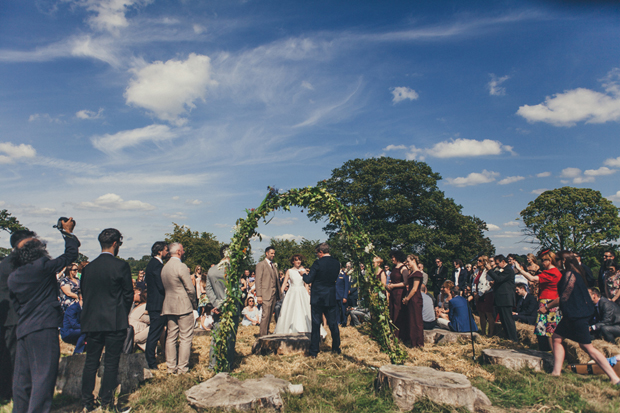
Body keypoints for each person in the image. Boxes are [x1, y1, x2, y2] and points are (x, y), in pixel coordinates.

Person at [8, 220, 79, 413]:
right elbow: (70, 255)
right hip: (44, 326)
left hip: (24, 328)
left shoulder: (13, 277)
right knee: (43, 376)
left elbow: (16, 305)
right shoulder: (42, 266)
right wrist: (67, 233)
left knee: (22, 379)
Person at [80, 228, 132, 413]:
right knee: (111, 363)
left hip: (93, 321)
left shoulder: (88, 268)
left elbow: (85, 293)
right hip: (114, 320)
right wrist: (122, 313)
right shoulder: (121, 266)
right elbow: (128, 295)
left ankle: (87, 401)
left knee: (91, 362)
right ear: (116, 244)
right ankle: (106, 402)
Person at [551, 251, 620, 385]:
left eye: (557, 259)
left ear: (564, 261)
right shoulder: (577, 273)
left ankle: (614, 378)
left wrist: (551, 306)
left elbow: (564, 297)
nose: (556, 262)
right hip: (575, 315)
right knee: (557, 338)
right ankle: (556, 372)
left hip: (575, 316)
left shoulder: (569, 274)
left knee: (588, 348)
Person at [0, 230, 35, 401]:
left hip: (8, 316)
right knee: (12, 357)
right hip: (14, 316)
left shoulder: (7, 262)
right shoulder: (16, 264)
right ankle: (9, 392)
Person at [160, 242, 196, 375]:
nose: (184, 252)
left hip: (169, 305)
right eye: (183, 250)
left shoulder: (165, 267)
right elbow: (190, 288)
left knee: (171, 336)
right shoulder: (181, 266)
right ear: (179, 252)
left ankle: (170, 367)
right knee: (186, 337)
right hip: (183, 305)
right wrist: (193, 302)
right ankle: (182, 368)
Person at [301, 242, 341, 357]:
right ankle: (336, 348)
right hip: (330, 296)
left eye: (317, 253)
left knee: (316, 324)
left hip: (318, 297)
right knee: (333, 323)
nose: (317, 255)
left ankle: (314, 351)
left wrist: (303, 274)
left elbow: (308, 280)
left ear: (321, 252)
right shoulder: (336, 263)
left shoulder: (317, 263)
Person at [206, 245, 239, 369]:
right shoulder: (233, 269)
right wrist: (225, 305)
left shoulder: (212, 270)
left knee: (216, 337)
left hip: (217, 308)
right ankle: (227, 364)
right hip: (231, 309)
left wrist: (216, 304)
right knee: (230, 338)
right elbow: (234, 291)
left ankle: (213, 364)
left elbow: (208, 289)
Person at [144, 241, 168, 370]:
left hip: (154, 303)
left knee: (155, 332)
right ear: (159, 251)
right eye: (165, 250)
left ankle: (150, 360)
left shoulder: (152, 264)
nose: (167, 252)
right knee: (154, 333)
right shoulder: (156, 266)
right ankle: (151, 362)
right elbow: (161, 284)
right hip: (158, 304)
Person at [486, 254, 518, 342]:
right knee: (503, 319)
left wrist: (490, 270)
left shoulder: (508, 270)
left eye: (497, 263)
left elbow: (499, 279)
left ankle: (513, 338)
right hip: (500, 298)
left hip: (506, 298)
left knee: (508, 319)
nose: (496, 265)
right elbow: (499, 280)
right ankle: (508, 337)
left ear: (503, 261)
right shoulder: (501, 270)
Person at [255, 246, 281, 337]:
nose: (273, 255)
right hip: (265, 294)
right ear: (266, 253)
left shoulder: (273, 265)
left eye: (274, 253)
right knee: (265, 316)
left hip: (273, 294)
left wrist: (278, 294)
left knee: (270, 316)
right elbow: (258, 280)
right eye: (271, 253)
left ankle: (267, 332)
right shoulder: (261, 265)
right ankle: (262, 336)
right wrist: (259, 295)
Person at [402, 254, 424, 347]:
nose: (407, 263)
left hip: (415, 298)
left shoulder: (417, 273)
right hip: (412, 298)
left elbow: (414, 288)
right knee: (412, 320)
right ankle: (413, 341)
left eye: (408, 261)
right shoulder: (412, 273)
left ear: (414, 260)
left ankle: (418, 343)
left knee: (416, 321)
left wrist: (407, 298)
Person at [387, 250, 409, 339]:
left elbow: (405, 282)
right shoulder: (394, 267)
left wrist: (394, 285)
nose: (392, 259)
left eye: (393, 257)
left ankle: (399, 335)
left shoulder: (404, 268)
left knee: (398, 312)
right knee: (392, 311)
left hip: (399, 293)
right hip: (393, 293)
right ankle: (392, 332)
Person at [473, 256, 495, 336]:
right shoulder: (477, 271)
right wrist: (474, 292)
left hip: (486, 294)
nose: (478, 262)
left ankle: (491, 333)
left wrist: (480, 293)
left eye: (480, 261)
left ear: (484, 262)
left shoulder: (487, 272)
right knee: (481, 313)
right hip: (478, 293)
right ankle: (483, 332)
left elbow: (488, 284)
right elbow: (474, 282)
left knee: (488, 314)